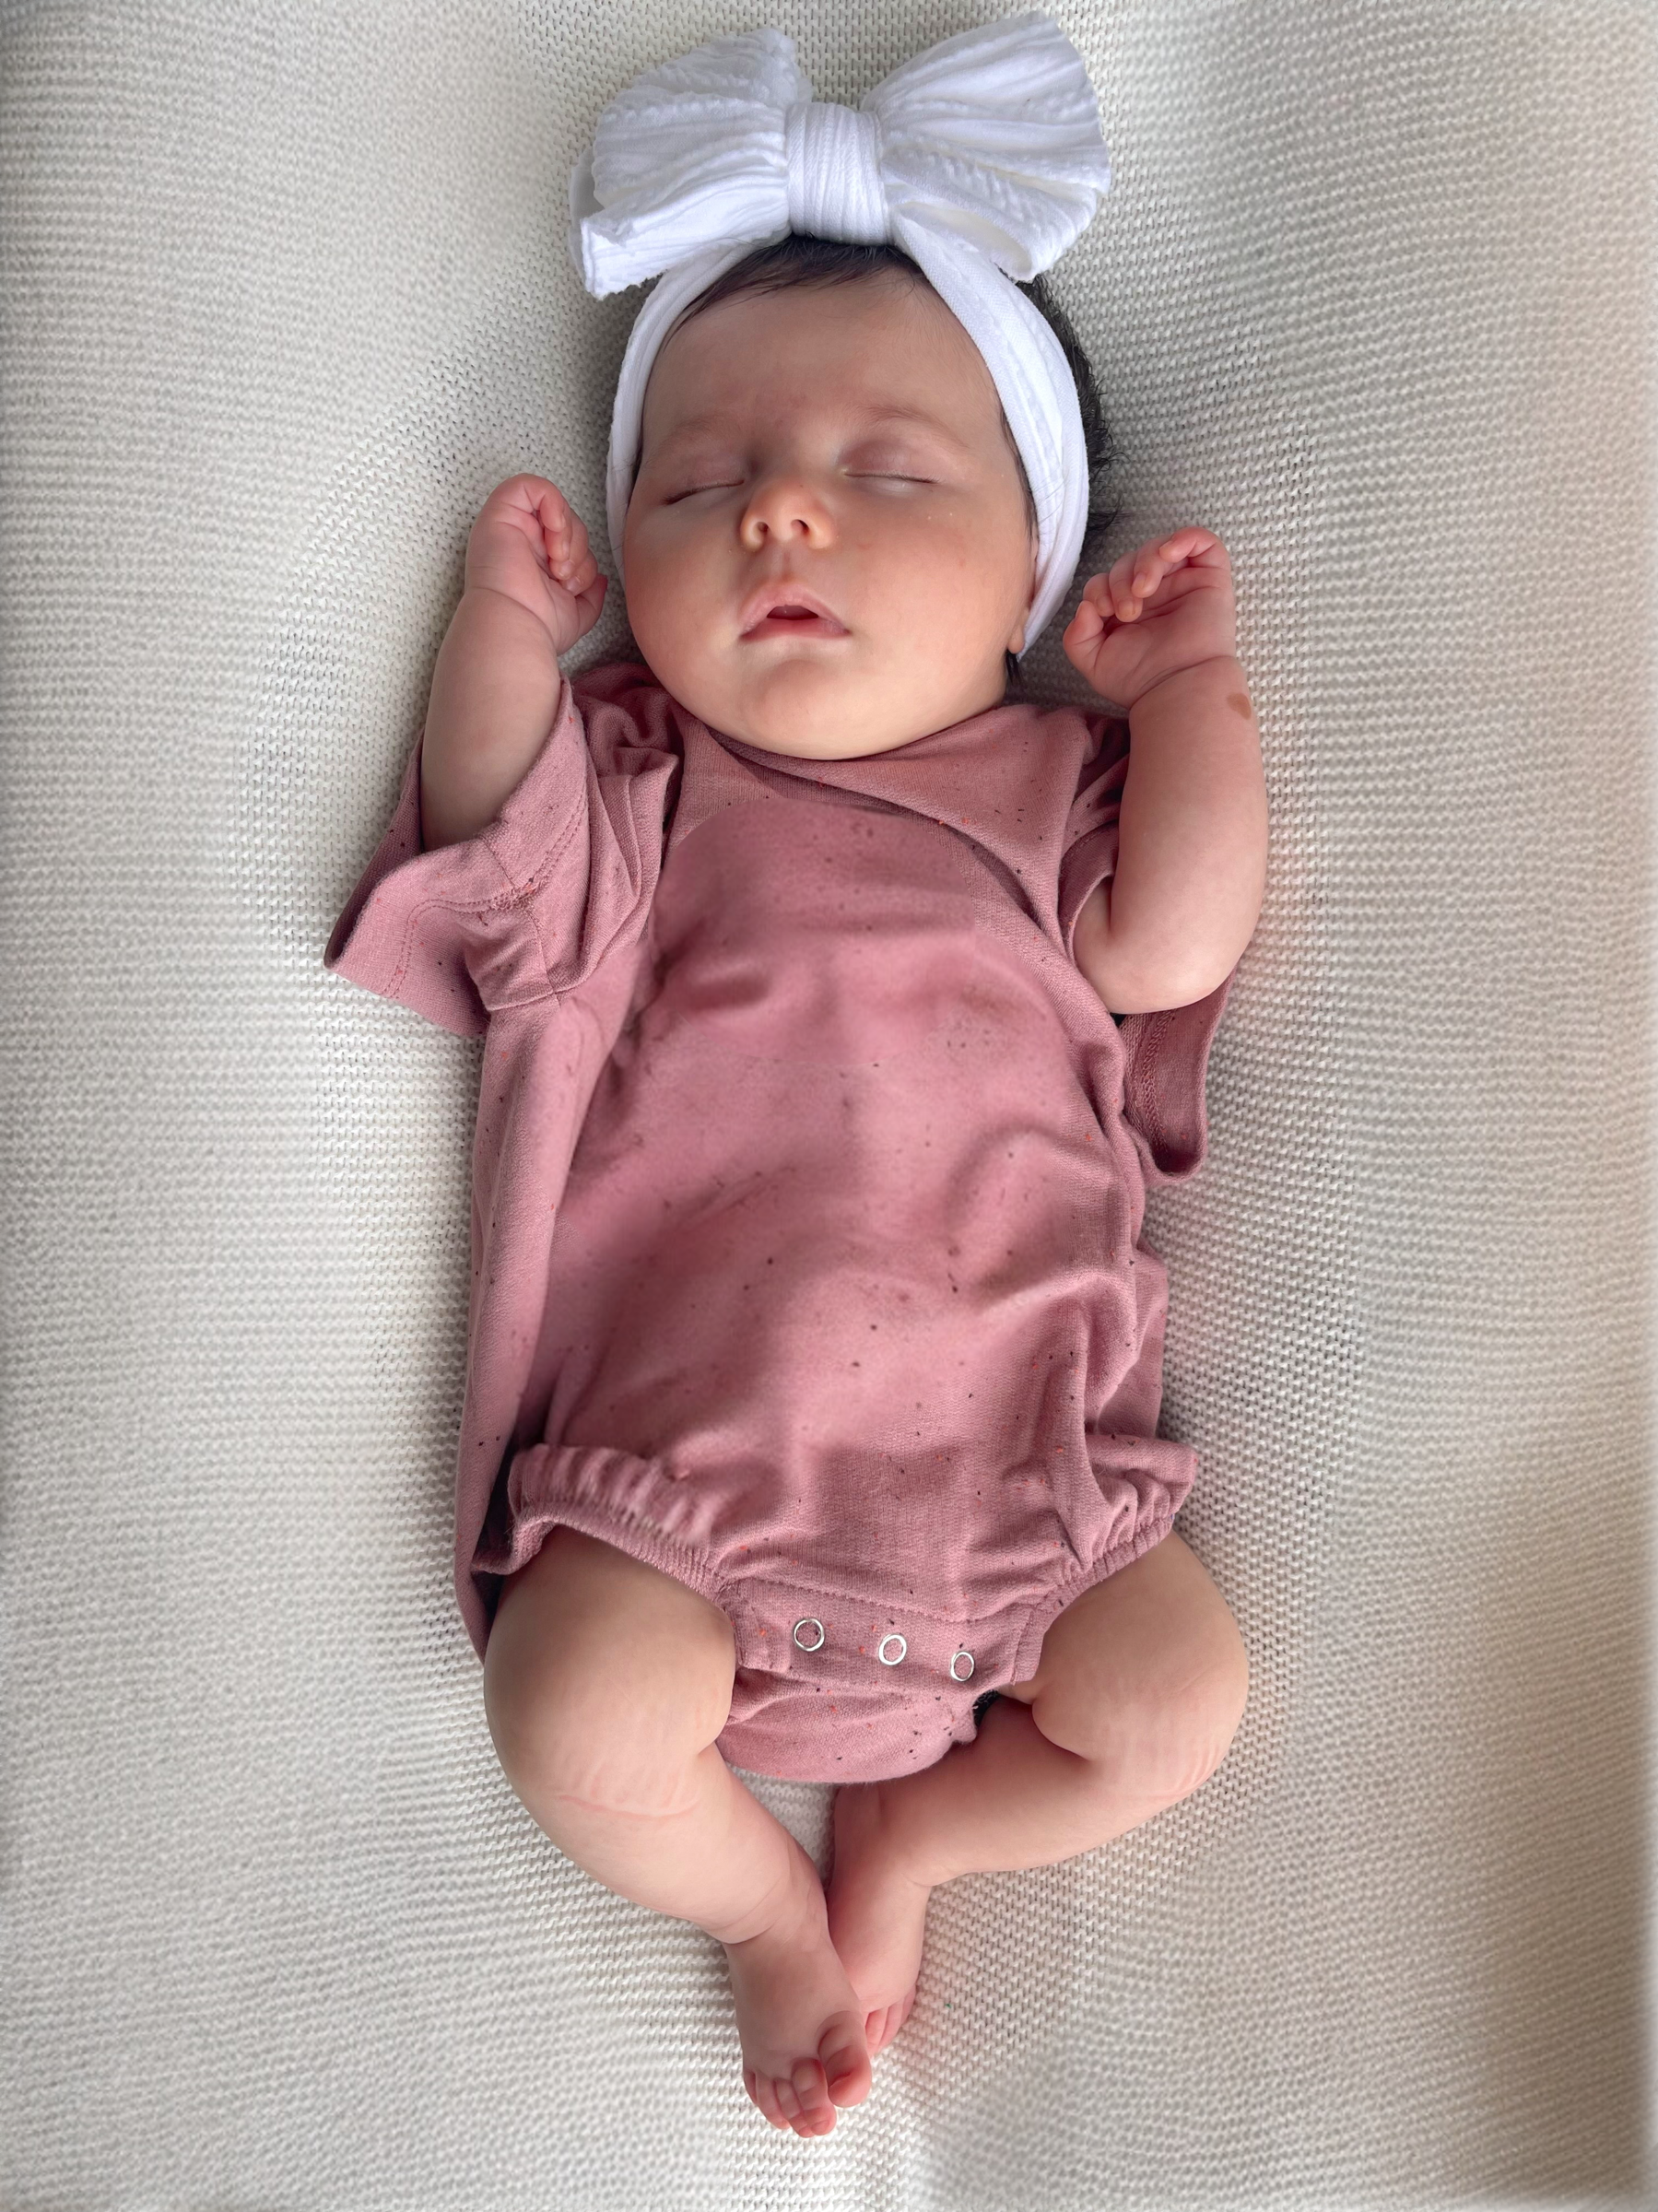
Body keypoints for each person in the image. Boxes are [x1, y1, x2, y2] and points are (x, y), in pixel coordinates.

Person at [324, 16, 1267, 2141]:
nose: (776, 516)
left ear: (1028, 573)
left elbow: (1176, 940)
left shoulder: (1046, 793)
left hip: (1027, 1492)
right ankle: (764, 1915)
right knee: (563, 1708)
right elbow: (493, 844)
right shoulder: (651, 793)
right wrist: (497, 631)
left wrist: (1186, 695)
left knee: (1177, 1700)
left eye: (888, 475)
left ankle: (921, 1842)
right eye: (698, 480)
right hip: (685, 1498)